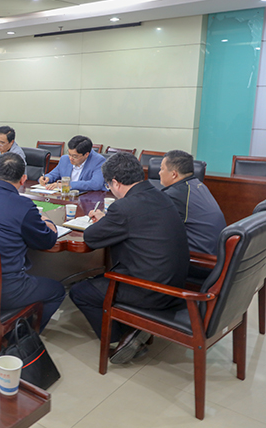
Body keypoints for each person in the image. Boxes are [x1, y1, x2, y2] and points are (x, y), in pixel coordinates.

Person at [69, 152, 189, 364]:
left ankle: (120, 340)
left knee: (80, 291)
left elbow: (91, 237)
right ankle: (133, 330)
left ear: (115, 183)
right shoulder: (161, 195)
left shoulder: (124, 207)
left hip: (149, 290)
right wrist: (108, 220)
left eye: (108, 185)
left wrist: (103, 221)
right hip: (175, 282)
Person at [0, 153, 64, 331]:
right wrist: (48, 222)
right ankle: (21, 337)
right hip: (5, 290)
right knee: (57, 290)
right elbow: (47, 241)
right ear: (23, 179)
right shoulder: (24, 206)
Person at [158, 150, 226, 256]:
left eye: (162, 169)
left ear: (174, 174)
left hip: (200, 258)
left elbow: (157, 228)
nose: (159, 173)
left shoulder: (176, 195)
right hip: (215, 252)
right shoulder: (197, 185)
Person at [39, 135, 106, 192]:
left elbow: (96, 184)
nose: (70, 158)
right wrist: (47, 178)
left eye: (75, 156)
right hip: (66, 196)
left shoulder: (98, 161)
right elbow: (54, 174)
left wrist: (66, 185)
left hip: (88, 198)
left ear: (86, 154)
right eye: (69, 154)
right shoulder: (65, 159)